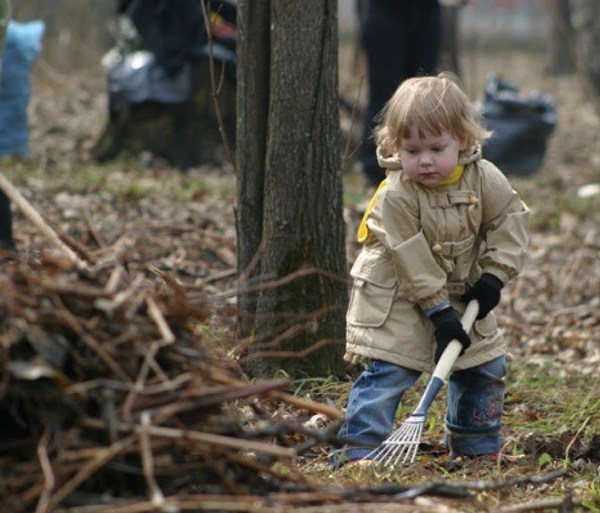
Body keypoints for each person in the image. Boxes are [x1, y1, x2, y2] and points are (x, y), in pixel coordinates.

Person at [332, 73, 530, 467]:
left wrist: (494, 276)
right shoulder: (397, 194)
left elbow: (510, 220)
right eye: (412, 149)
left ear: (463, 139)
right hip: (397, 298)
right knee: (390, 370)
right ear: (395, 147)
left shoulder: (483, 177)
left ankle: (475, 446)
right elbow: (410, 257)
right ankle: (359, 450)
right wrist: (438, 313)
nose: (424, 160)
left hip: (462, 291)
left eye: (437, 148)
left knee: (485, 365)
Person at [358, 0, 442, 187]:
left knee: (426, 95)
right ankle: (377, 172)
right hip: (386, 10)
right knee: (383, 99)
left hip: (427, 10)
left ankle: (423, 165)